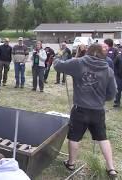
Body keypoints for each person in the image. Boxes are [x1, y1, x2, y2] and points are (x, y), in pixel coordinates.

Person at [53, 44, 118, 179]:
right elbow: (112, 94)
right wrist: (100, 99)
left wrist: (57, 57)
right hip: (98, 110)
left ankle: (71, 163)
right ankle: (111, 168)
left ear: (88, 51)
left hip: (80, 109)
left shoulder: (79, 63)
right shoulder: (108, 69)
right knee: (102, 137)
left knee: (74, 136)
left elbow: (58, 66)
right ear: (102, 54)